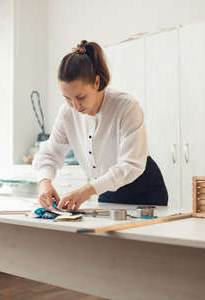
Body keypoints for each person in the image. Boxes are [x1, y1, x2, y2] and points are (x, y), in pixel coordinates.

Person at [33, 40, 168, 210]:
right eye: (67, 98)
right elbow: (49, 154)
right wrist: (44, 183)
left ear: (96, 82)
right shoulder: (67, 113)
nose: (75, 106)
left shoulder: (126, 106)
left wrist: (87, 190)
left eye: (81, 97)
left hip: (144, 191)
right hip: (105, 189)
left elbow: (130, 165)